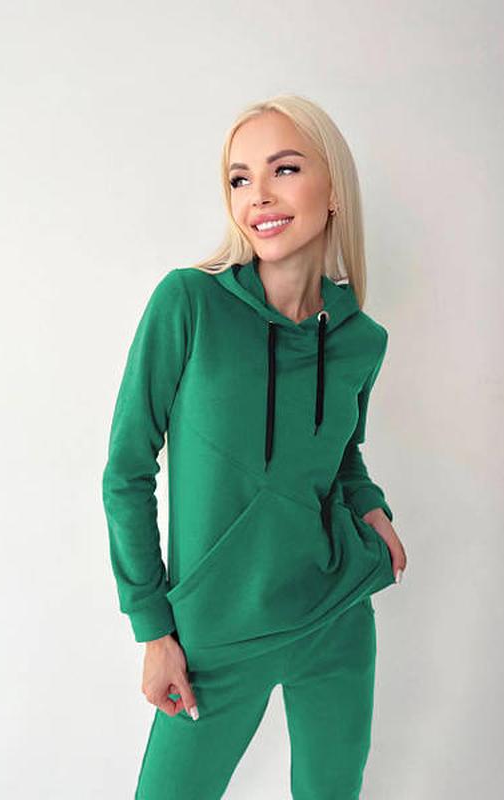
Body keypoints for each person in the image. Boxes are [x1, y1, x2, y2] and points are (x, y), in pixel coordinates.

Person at [102, 93, 408, 799]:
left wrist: (371, 508)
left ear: (333, 190)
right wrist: (154, 629)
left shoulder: (361, 340)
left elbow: (338, 454)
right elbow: (126, 471)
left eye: (285, 169)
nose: (259, 195)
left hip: (335, 616)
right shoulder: (189, 303)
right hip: (215, 634)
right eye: (240, 178)